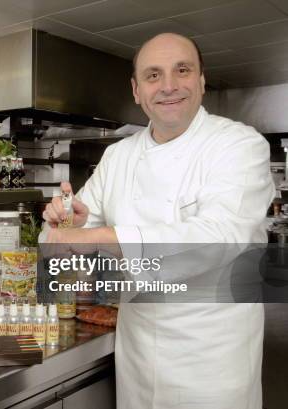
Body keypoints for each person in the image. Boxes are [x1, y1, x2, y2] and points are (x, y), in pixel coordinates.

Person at [43, 33, 275, 409]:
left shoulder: (238, 145)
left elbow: (219, 237)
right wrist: (67, 224)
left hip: (210, 361)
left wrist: (101, 236)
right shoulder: (118, 156)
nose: (168, 85)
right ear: (136, 90)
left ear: (201, 81)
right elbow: (67, 242)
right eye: (153, 75)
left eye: (182, 70)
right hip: (136, 352)